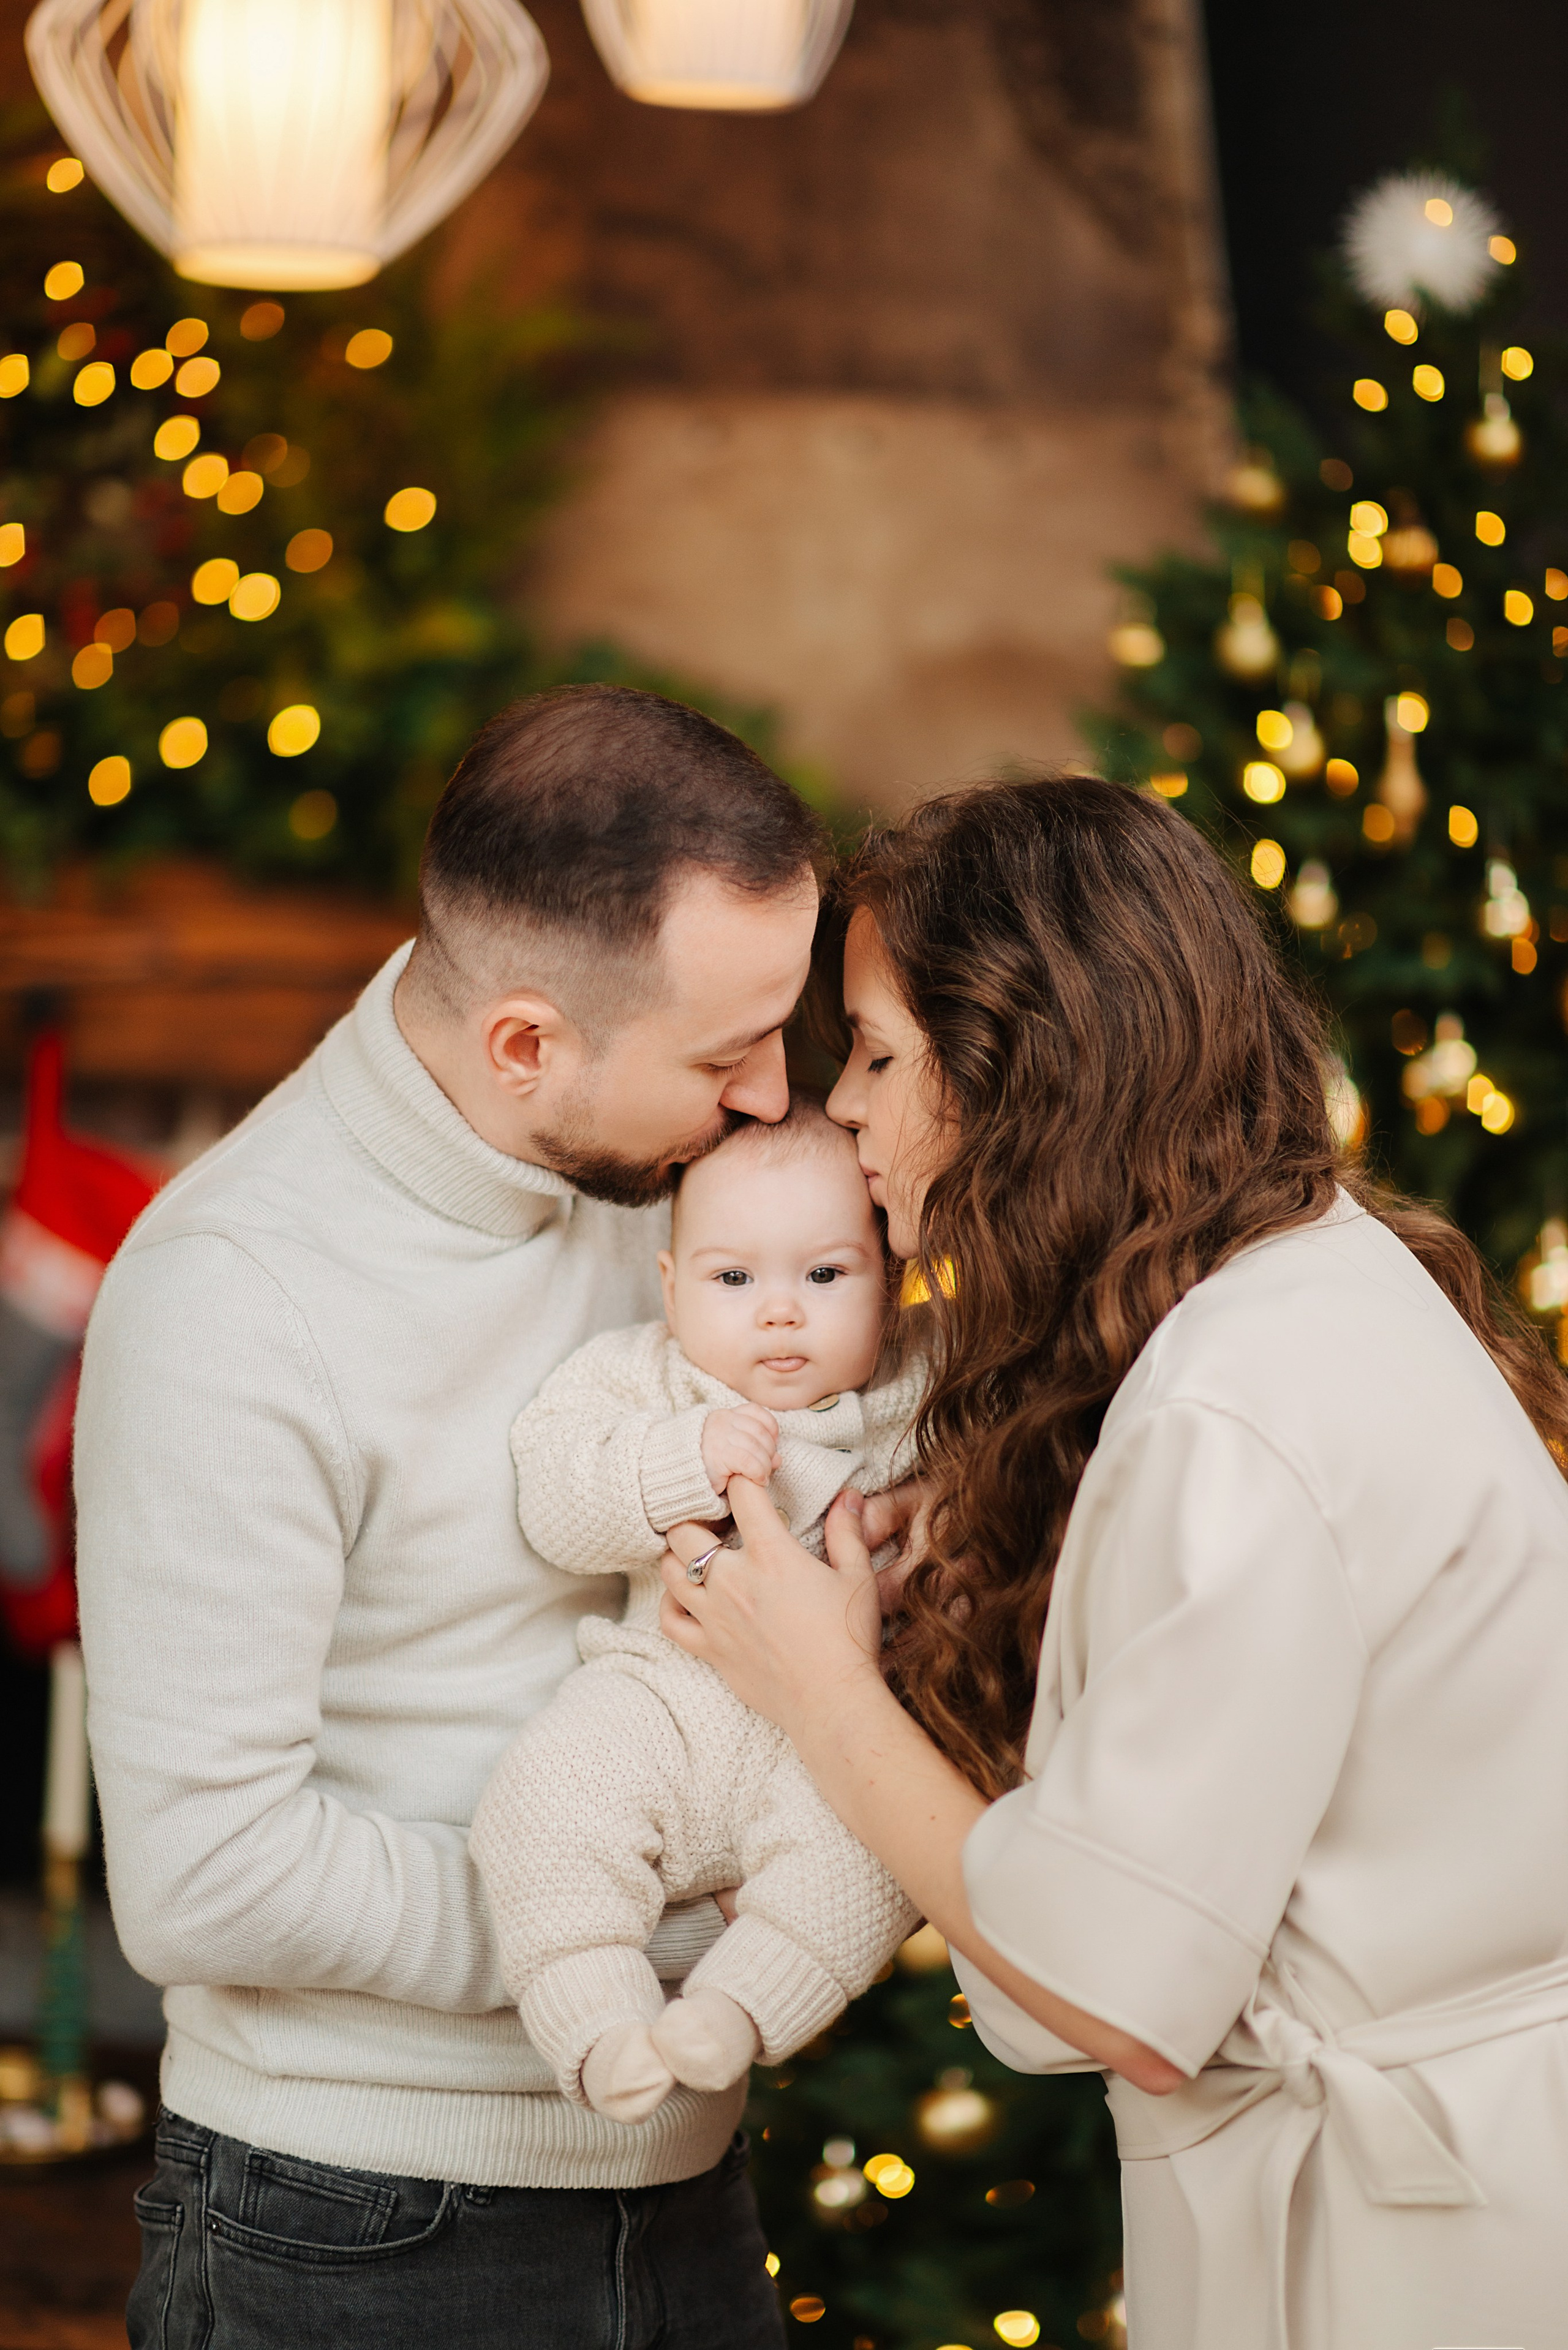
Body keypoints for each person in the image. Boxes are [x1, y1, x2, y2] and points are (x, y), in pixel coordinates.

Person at [659, 775, 1568, 2350]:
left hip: (1405, 2253)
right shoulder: (1294, 1272)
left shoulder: (1229, 1405)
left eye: (877, 1051)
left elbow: (1117, 1986)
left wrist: (815, 1679)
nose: (845, 1109)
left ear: (1025, 1062)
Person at [74, 685, 822, 2350]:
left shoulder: (666, 1188)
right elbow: (204, 1875)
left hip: (689, 2190)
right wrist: (642, 1933)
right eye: (726, 1053)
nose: (779, 1098)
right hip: (352, 2230)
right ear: (524, 1045)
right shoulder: (236, 1298)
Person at [471, 1096, 922, 2128]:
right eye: (734, 1278)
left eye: (825, 1274)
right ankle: (596, 2020)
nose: (780, 1311)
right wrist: (679, 1460)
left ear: (889, 1284)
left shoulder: (912, 1396)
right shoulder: (643, 1379)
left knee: (879, 1858)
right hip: (660, 1701)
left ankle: (735, 2012)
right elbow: (556, 1497)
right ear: (672, 1288)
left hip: (838, 1746)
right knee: (542, 1800)